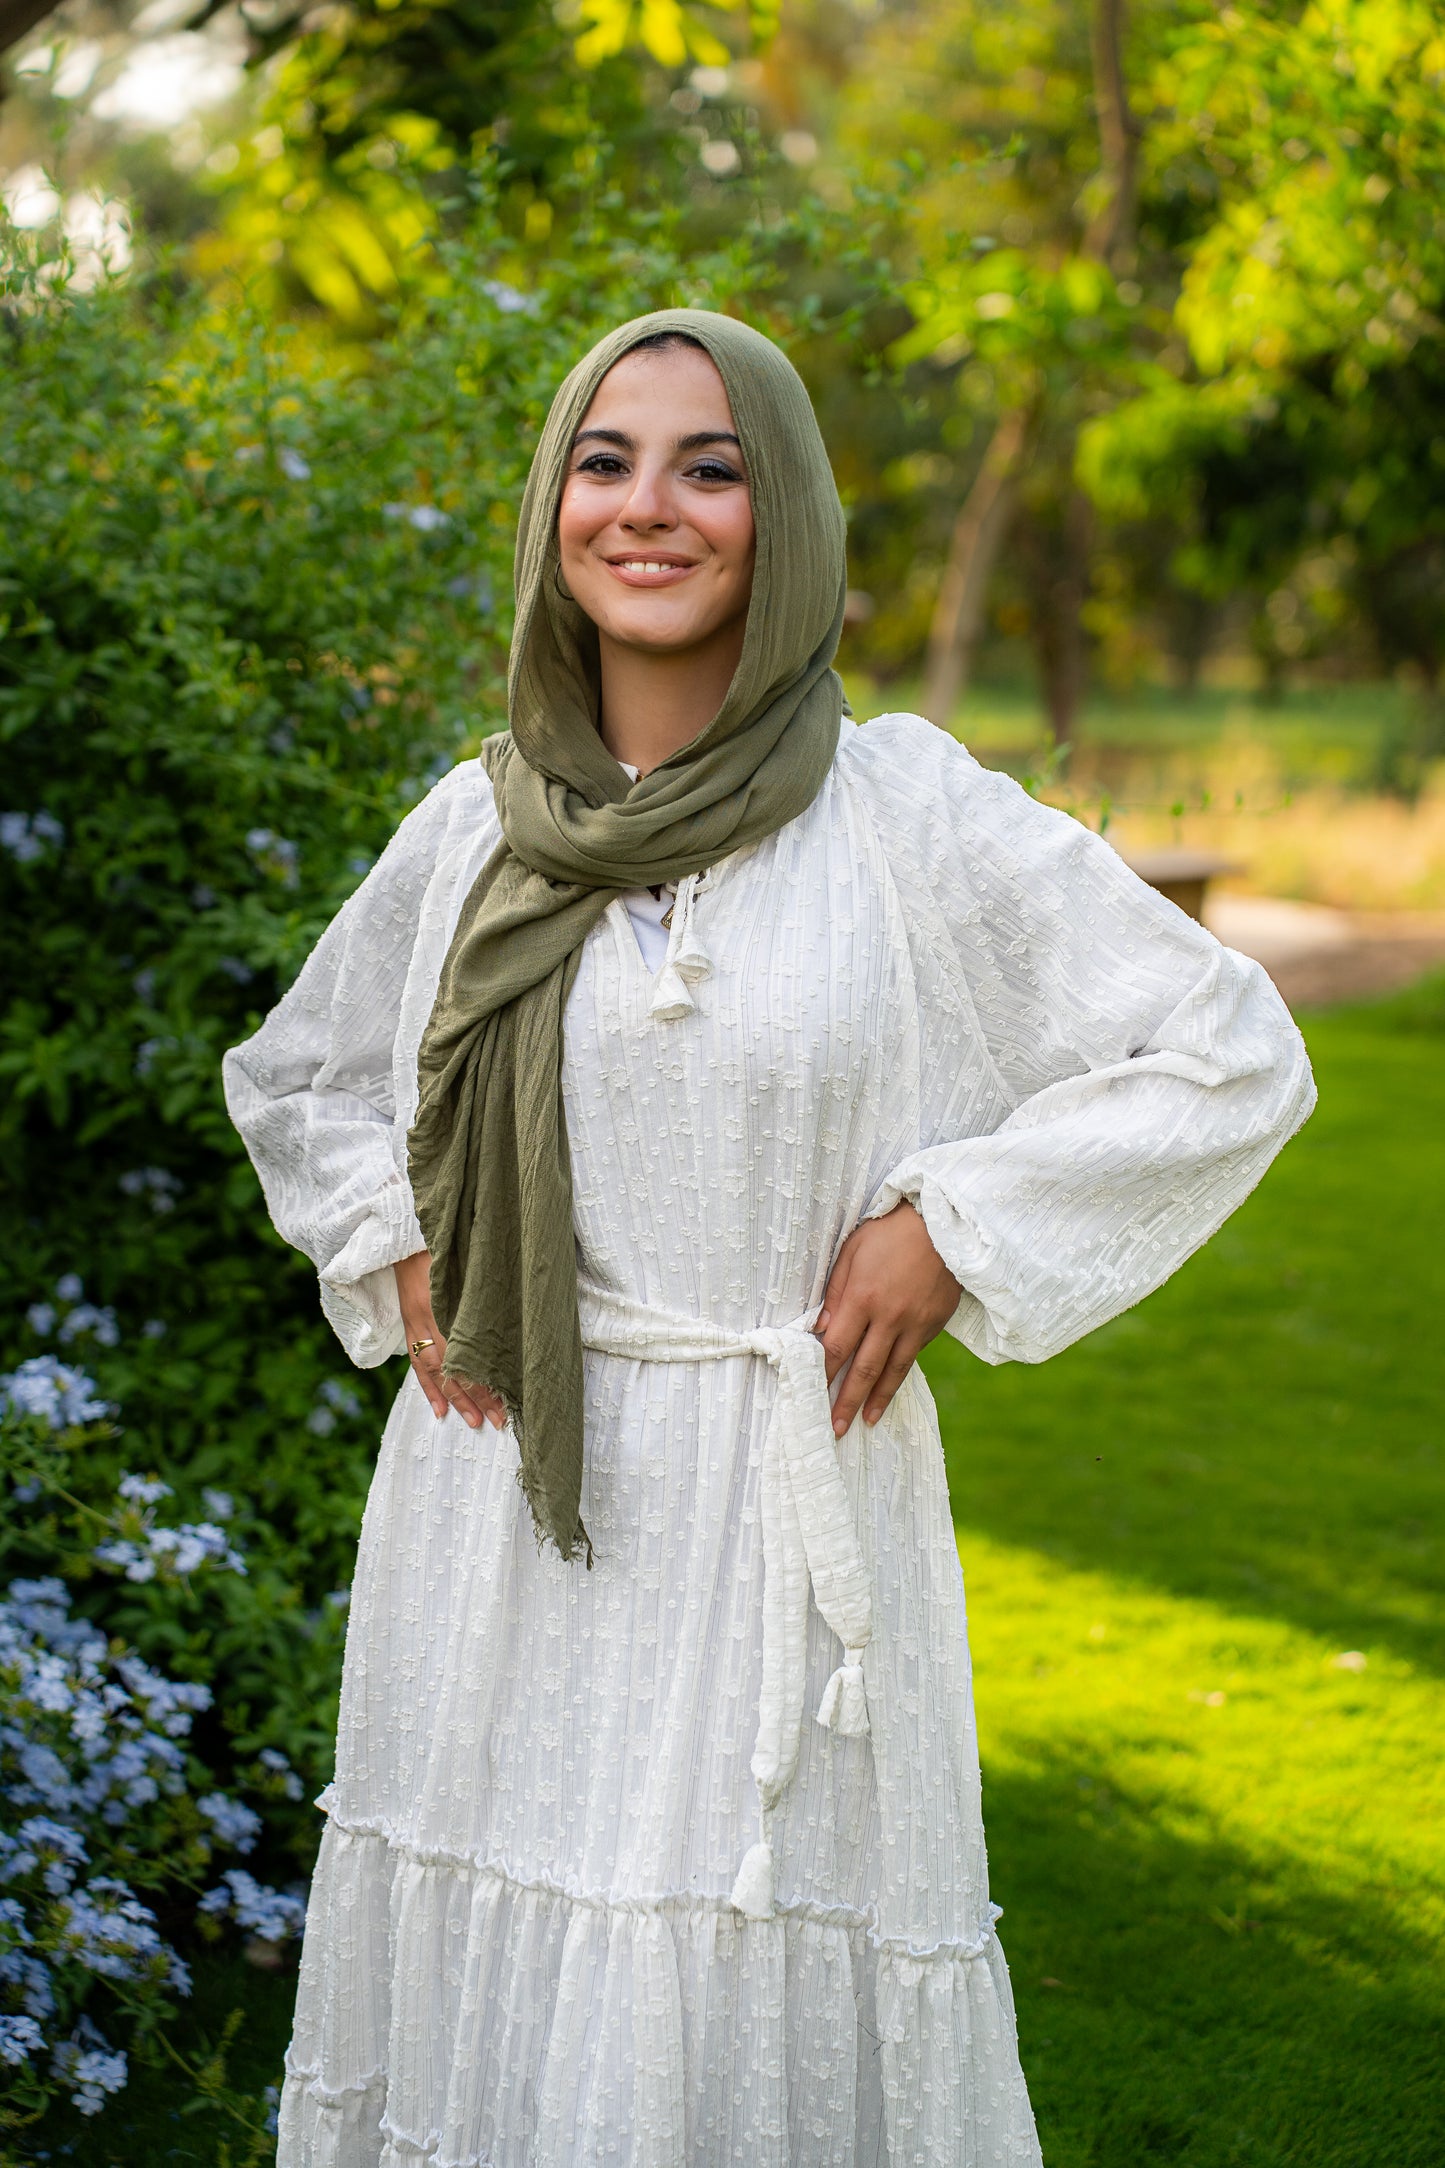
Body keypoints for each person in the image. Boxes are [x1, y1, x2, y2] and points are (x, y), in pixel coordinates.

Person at [224, 309, 1315, 2168]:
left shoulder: (904, 815)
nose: (649, 508)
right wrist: (399, 1244)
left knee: (736, 1985)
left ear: (785, 513)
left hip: (780, 1502)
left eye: (709, 466)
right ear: (552, 506)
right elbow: (306, 1078)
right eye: (606, 458)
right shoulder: (472, 830)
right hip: (498, 1512)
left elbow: (1226, 1049)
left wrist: (950, 1223)